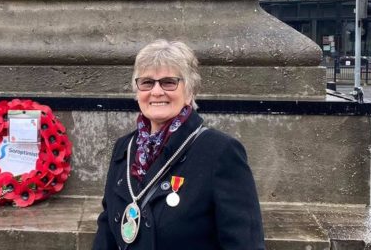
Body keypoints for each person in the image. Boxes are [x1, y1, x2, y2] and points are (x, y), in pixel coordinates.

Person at [93, 39, 265, 250]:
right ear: (137, 92)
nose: (156, 92)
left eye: (168, 82)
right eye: (147, 82)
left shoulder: (220, 152)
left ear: (190, 91)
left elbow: (244, 244)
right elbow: (106, 231)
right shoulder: (124, 148)